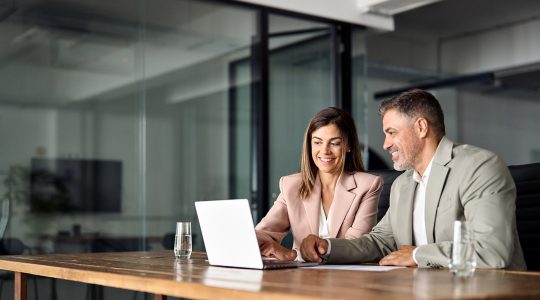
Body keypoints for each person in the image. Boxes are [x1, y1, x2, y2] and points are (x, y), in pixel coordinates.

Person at [300, 89, 527, 270]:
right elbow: (379, 241)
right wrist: (327, 246)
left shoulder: (479, 167)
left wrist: (418, 255)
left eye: (392, 132)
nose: (385, 144)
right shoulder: (403, 184)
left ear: (421, 127)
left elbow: (491, 251)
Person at [255, 107, 383, 261]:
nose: (324, 151)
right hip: (302, 276)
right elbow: (264, 232)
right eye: (317, 142)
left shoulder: (368, 185)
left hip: (347, 276)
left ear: (348, 145)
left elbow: (357, 246)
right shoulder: (291, 185)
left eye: (334, 143)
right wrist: (267, 244)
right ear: (309, 145)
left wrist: (315, 249)